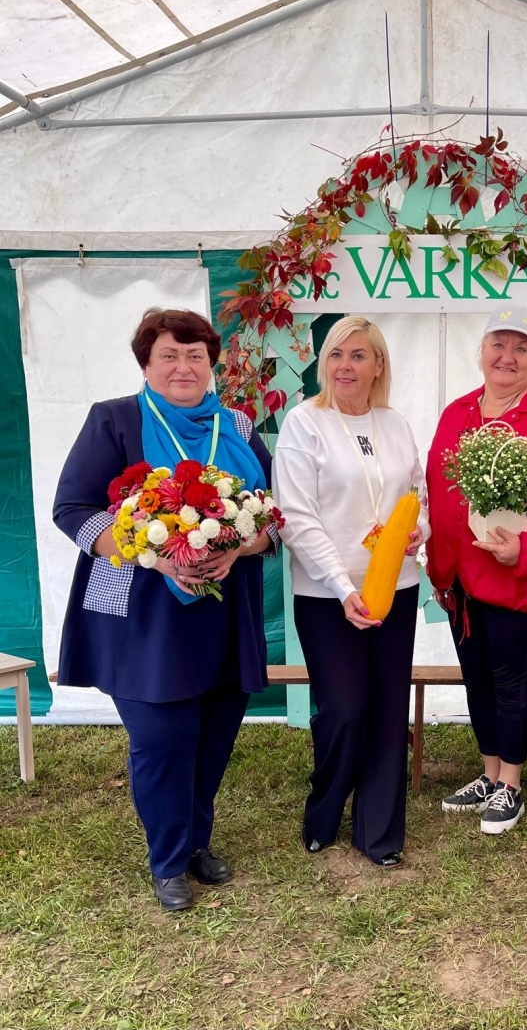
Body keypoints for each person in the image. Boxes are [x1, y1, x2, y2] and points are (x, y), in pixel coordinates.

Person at [53, 308, 279, 911]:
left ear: (212, 364)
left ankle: (195, 841)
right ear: (147, 365)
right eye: (169, 356)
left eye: (195, 355)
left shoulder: (236, 423)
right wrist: (148, 553)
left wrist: (242, 547)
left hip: (225, 606)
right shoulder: (115, 419)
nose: (183, 366)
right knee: (161, 736)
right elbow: (72, 509)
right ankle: (168, 859)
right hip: (141, 610)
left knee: (214, 733)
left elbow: (272, 516)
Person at [426, 306, 527, 834]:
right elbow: (435, 487)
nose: (507, 357)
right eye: (499, 344)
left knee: (507, 681)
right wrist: (431, 545)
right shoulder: (457, 414)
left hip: (514, 578)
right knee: (476, 679)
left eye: (520, 348)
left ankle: (511, 785)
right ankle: (488, 773)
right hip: (459, 579)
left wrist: (526, 548)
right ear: (482, 352)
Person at [272, 316, 429, 869]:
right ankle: (324, 811)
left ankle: (379, 833)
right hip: (325, 595)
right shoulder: (303, 423)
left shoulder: (395, 423)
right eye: (337, 354)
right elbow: (294, 515)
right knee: (343, 708)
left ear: (378, 365)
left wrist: (420, 532)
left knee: (387, 710)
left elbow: (419, 495)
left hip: (396, 586)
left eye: (359, 355)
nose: (345, 365)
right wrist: (342, 587)